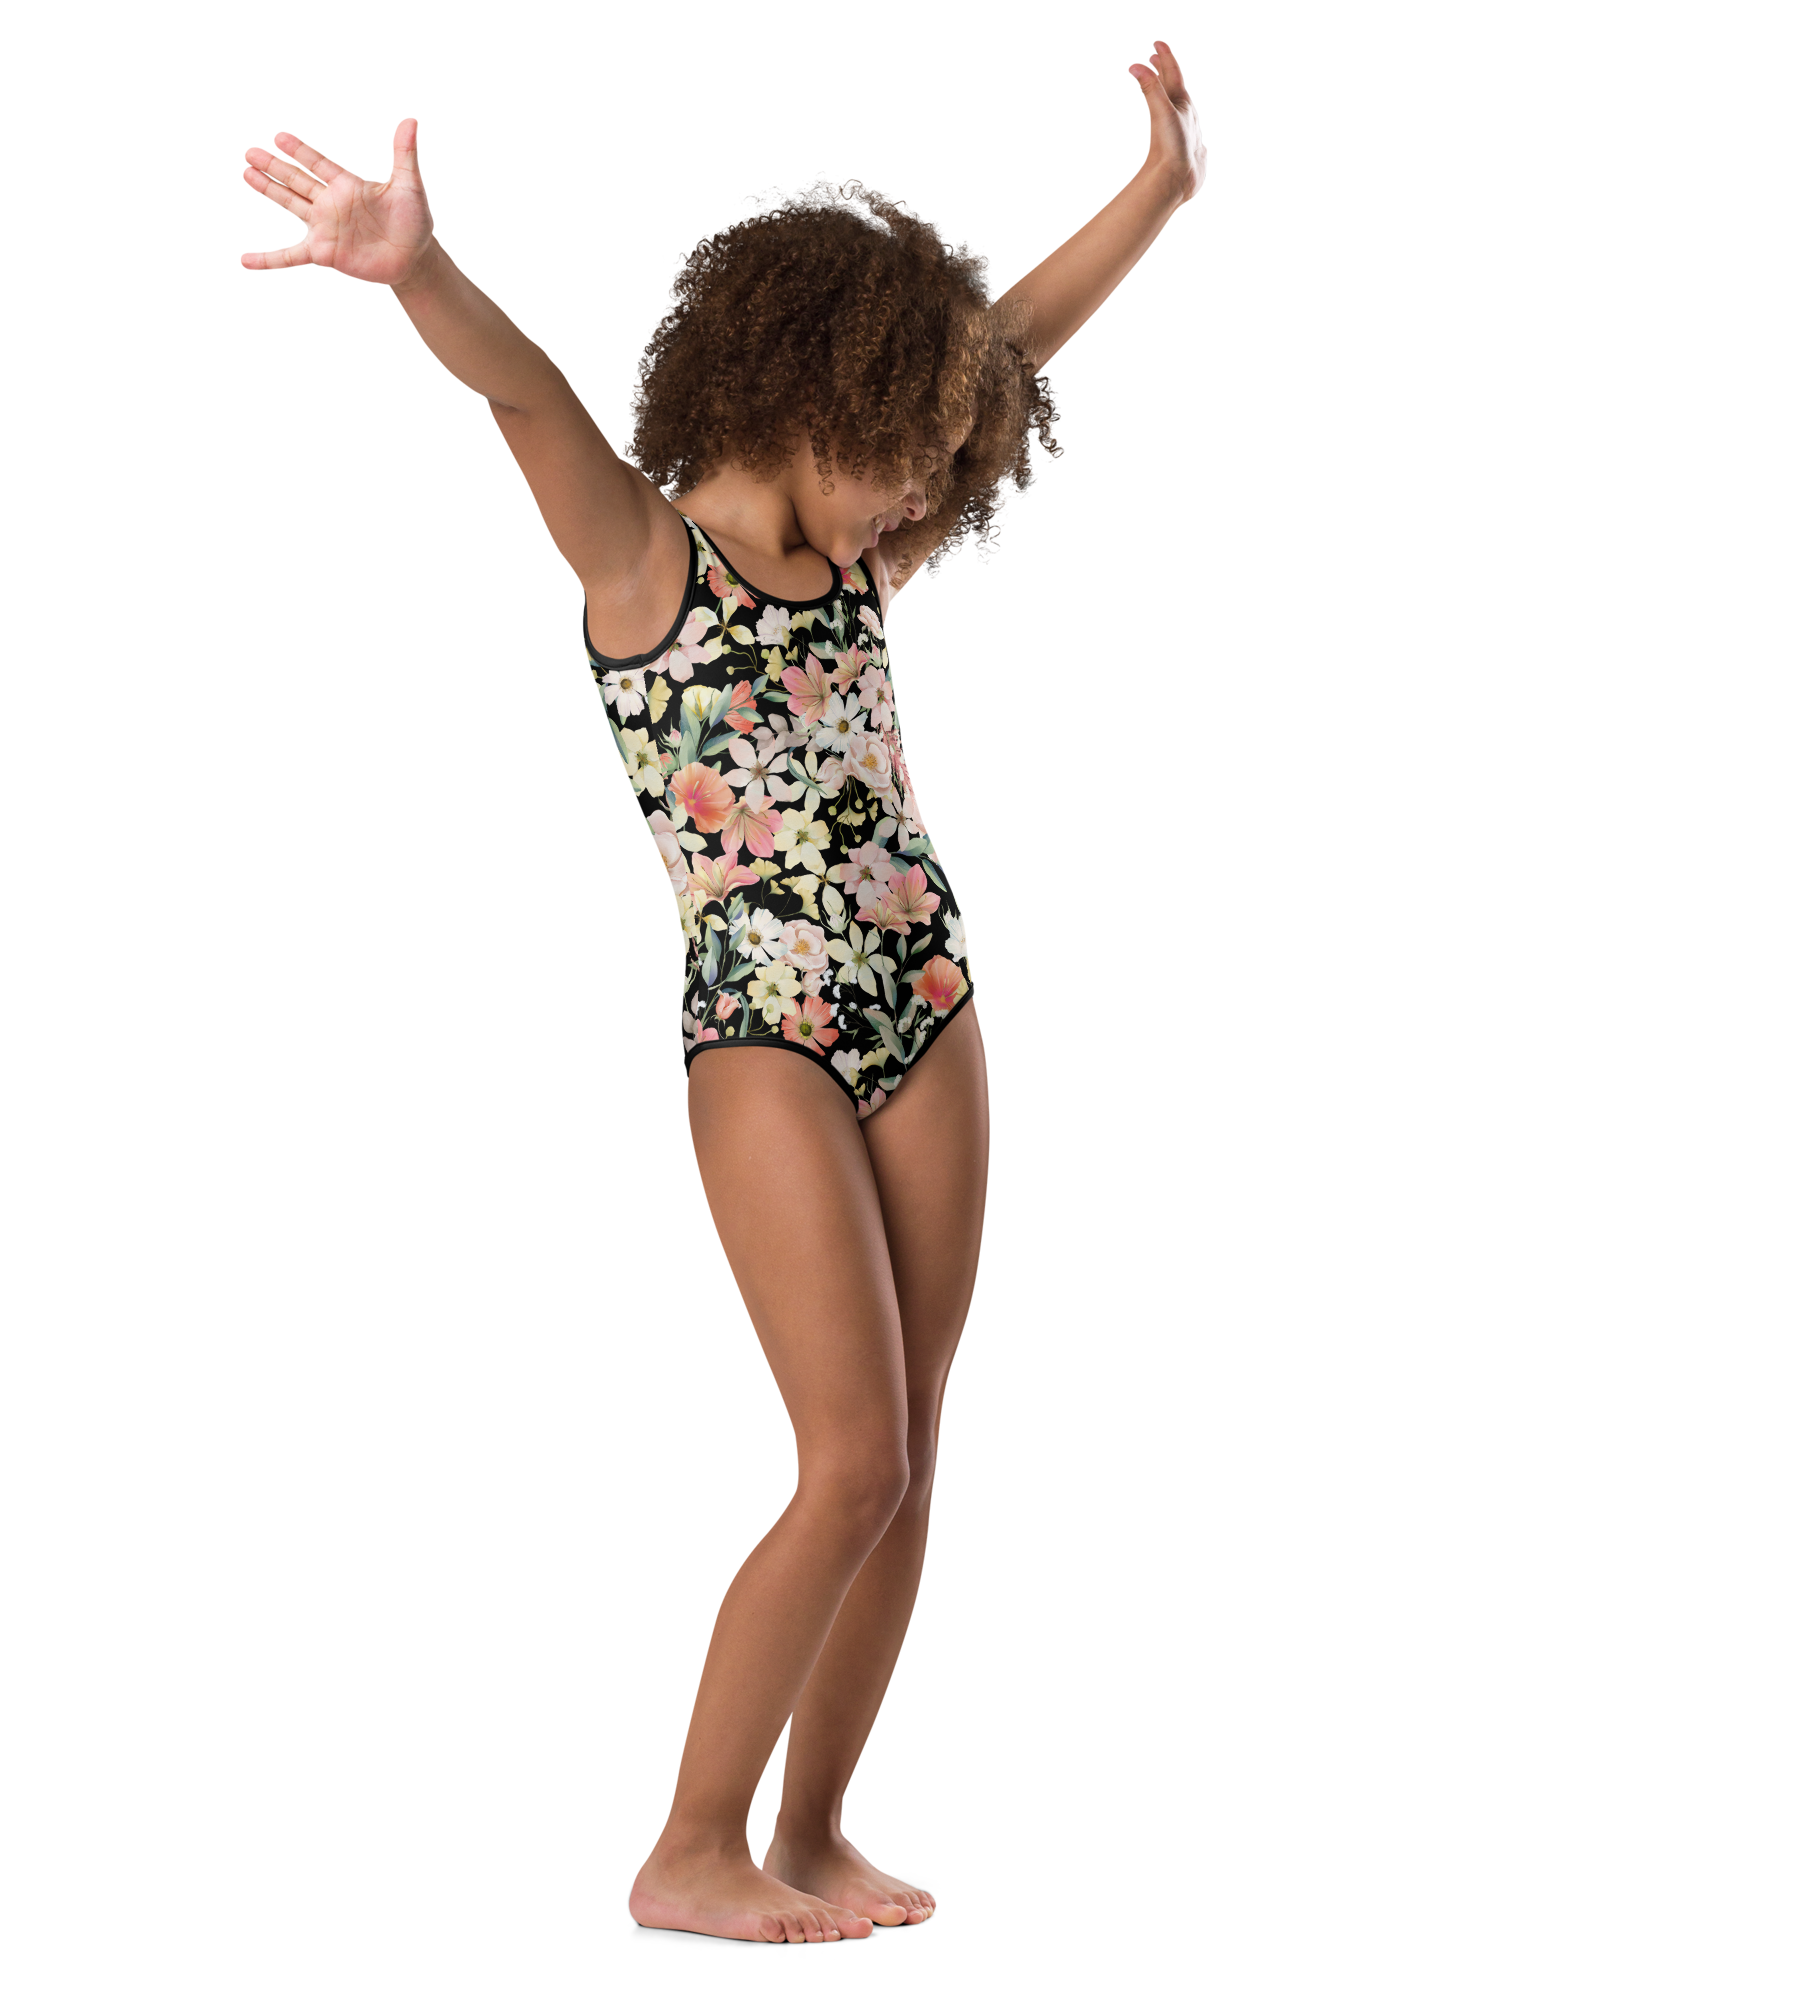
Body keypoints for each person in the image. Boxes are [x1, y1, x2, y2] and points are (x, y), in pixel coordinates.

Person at [237, 55, 1203, 1943]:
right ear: (818, 391)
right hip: (765, 1036)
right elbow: (526, 391)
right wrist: (416, 268)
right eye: (905, 457)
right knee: (848, 1458)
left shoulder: (864, 558)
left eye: (941, 468)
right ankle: (689, 1846)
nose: (921, 499)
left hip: (931, 1001)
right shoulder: (643, 560)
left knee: (917, 1455)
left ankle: (815, 1828)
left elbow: (1005, 347)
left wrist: (1160, 190)